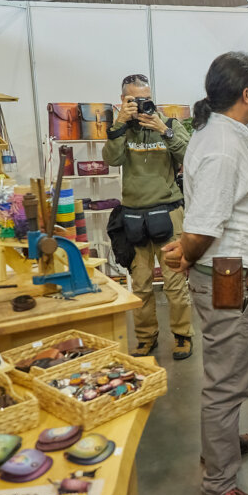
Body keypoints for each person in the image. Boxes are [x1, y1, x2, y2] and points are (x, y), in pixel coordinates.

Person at [162, 52, 248, 495]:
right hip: (231, 278)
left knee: (226, 377)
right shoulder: (223, 146)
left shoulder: (222, 133)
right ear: (247, 95)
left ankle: (222, 446)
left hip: (230, 271)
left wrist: (191, 250)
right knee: (226, 384)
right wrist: (187, 252)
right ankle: (219, 489)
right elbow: (206, 224)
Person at [102, 74, 195, 360]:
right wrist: (119, 123)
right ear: (123, 100)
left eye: (146, 98)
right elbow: (111, 159)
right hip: (133, 217)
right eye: (135, 100)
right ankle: (145, 337)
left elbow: (190, 155)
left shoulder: (168, 123)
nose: (143, 104)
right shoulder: (120, 130)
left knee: (174, 283)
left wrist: (164, 129)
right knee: (140, 285)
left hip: (168, 213)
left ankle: (182, 335)